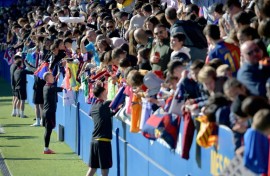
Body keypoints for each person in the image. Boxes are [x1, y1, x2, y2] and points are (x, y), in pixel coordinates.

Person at [86, 85, 115, 176]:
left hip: (94, 140)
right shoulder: (105, 105)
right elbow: (116, 104)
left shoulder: (94, 106)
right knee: (104, 169)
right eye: (105, 91)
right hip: (103, 141)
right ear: (102, 93)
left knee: (93, 168)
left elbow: (93, 114)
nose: (107, 93)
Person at [42, 72, 63, 154]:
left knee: (48, 130)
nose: (53, 76)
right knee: (48, 131)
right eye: (51, 76)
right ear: (47, 78)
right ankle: (46, 149)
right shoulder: (51, 88)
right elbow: (62, 88)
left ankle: (46, 148)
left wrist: (57, 77)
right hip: (49, 113)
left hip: (47, 112)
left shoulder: (46, 86)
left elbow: (54, 85)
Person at [10, 53, 23, 117]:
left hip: (13, 83)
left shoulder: (12, 65)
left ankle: (14, 111)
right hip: (16, 84)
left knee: (15, 98)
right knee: (17, 98)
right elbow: (16, 76)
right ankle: (16, 112)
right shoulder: (16, 66)